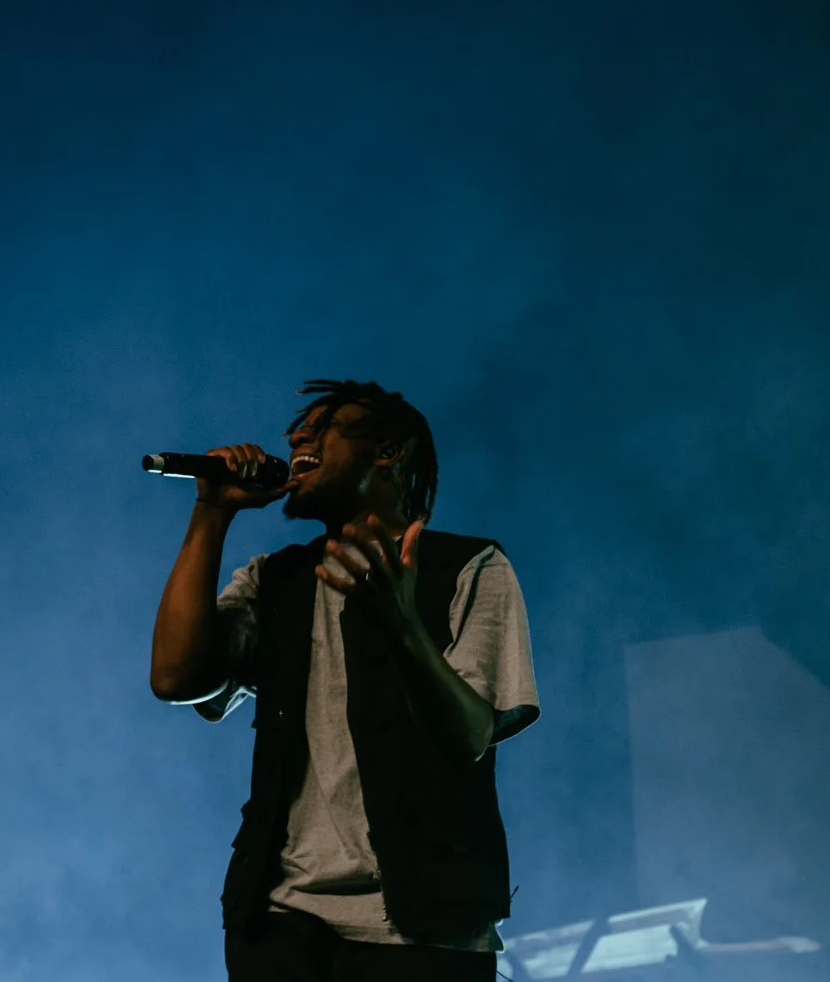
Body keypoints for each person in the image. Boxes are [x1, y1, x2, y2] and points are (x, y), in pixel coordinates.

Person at [149, 379, 539, 981]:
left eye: (324, 424)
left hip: (424, 935)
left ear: (386, 452)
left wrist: (403, 628)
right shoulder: (274, 581)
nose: (296, 435)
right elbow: (176, 677)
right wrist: (213, 511)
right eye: (299, 427)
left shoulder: (471, 567)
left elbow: (470, 736)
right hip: (281, 928)